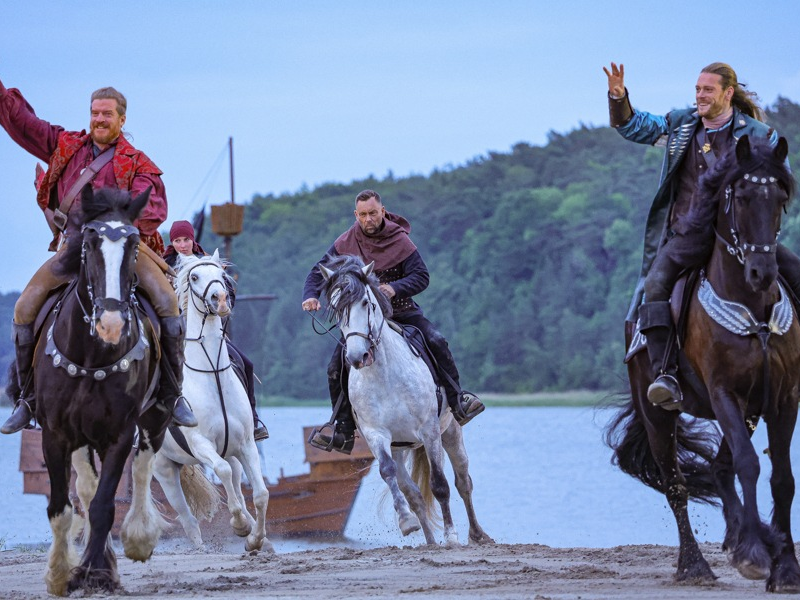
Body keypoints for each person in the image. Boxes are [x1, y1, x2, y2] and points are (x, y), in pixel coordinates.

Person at [0, 80, 196, 433]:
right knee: (24, 306)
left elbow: (153, 206)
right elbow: (23, 123)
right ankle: (26, 399)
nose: (99, 119)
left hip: (123, 249)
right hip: (75, 247)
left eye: (107, 114)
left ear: (122, 119)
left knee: (168, 303)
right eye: (94, 113)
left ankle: (173, 393)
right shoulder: (66, 146)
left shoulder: (139, 164)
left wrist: (114, 226)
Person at [604, 61, 800, 409]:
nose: (700, 96)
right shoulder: (681, 124)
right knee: (655, 284)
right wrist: (619, 97)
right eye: (697, 89)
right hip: (687, 234)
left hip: (745, 240)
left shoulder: (759, 134)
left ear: (728, 93)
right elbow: (636, 127)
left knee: (797, 274)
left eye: (707, 90)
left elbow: (781, 181)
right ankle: (665, 372)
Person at [301, 189, 484, 454]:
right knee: (334, 366)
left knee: (437, 340)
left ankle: (458, 402)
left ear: (383, 211)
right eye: (362, 215)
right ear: (356, 215)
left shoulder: (401, 241)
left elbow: (421, 276)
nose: (368, 219)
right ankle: (341, 429)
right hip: (364, 319)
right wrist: (310, 296)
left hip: (401, 310)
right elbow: (317, 273)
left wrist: (395, 288)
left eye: (373, 213)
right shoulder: (346, 241)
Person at [164, 220, 269, 441]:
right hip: (175, 335)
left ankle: (253, 419)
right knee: (158, 370)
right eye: (177, 240)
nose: (182, 245)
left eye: (186, 239)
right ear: (171, 242)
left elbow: (228, 293)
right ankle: (154, 422)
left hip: (212, 334)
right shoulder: (164, 266)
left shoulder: (209, 264)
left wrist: (223, 304)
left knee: (246, 365)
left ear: (193, 239)